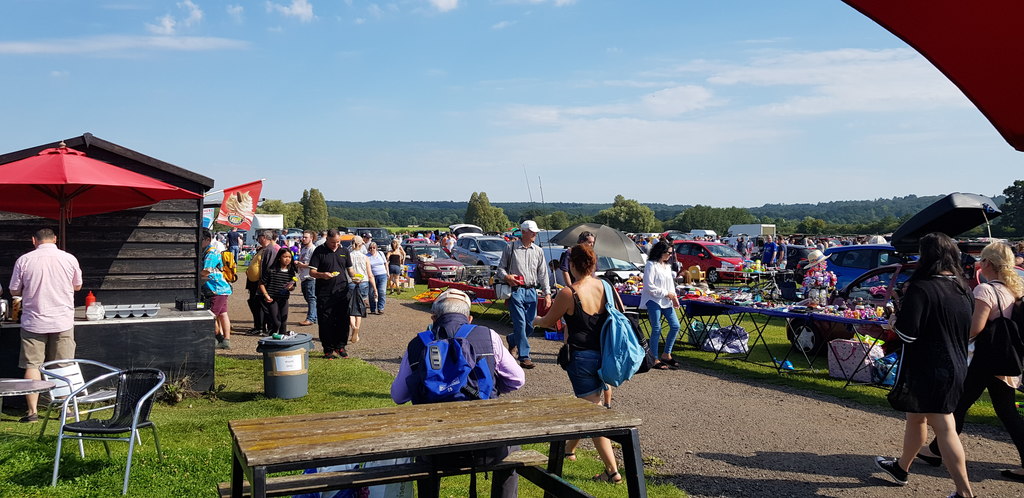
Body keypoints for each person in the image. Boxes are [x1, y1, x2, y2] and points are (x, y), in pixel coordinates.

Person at [390, 288, 525, 497]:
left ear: (434, 318)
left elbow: (398, 396)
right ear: (469, 318)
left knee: (424, 458)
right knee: (511, 450)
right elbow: (518, 380)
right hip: (485, 448)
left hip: (434, 451)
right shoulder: (489, 336)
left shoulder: (417, 344)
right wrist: (493, 389)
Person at [874, 232, 975, 498]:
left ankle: (964, 492)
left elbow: (909, 334)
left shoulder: (923, 287)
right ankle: (901, 468)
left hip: (931, 366)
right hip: (955, 362)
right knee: (915, 417)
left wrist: (894, 320)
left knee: (944, 427)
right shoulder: (962, 287)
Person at [918, 241, 1024, 482]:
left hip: (985, 360)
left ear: (987, 263)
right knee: (992, 408)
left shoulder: (985, 290)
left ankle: (937, 452)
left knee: (964, 406)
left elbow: (975, 329)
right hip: (1004, 358)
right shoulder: (1012, 289)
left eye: (982, 259)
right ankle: (936, 451)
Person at [533, 244, 622, 483]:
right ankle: (569, 451)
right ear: (593, 265)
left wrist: (536, 319)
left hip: (581, 357)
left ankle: (612, 472)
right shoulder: (606, 286)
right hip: (605, 354)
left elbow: (549, 321)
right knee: (587, 404)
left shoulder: (568, 293)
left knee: (591, 413)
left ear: (572, 265)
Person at [8, 228, 82, 423]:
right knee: (63, 365)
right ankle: (65, 410)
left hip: (33, 321)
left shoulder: (24, 260)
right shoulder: (69, 259)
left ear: (34, 240)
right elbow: (78, 286)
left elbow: (14, 289)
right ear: (55, 239)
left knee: (32, 365)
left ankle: (32, 412)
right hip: (62, 320)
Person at [496, 220, 551, 369]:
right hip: (515, 291)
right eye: (532, 231)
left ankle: (512, 339)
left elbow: (543, 274)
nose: (535, 234)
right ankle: (525, 356)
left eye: (536, 232)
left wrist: (547, 294)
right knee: (520, 323)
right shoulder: (511, 247)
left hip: (532, 291)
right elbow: (500, 269)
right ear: (524, 232)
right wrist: (507, 277)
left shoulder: (538, 251)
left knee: (531, 324)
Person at [309, 229, 354, 359]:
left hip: (342, 291)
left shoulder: (344, 251)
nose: (336, 245)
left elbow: (350, 270)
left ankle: (340, 346)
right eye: (333, 242)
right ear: (327, 239)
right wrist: (322, 275)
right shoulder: (319, 251)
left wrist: (356, 277)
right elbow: (312, 272)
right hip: (325, 292)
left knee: (343, 320)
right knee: (325, 321)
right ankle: (328, 349)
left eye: (338, 242)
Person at [640, 240, 681, 370]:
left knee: (675, 326)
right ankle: (653, 357)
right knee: (656, 328)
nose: (670, 255)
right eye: (668, 253)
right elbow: (649, 286)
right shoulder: (650, 265)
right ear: (660, 252)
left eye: (670, 253)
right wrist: (666, 293)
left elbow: (670, 285)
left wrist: (674, 297)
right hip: (653, 300)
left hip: (666, 301)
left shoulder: (667, 267)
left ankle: (666, 354)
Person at [200, 229, 233, 350]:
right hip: (221, 288)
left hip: (216, 289)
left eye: (200, 240)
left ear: (207, 240)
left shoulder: (210, 253)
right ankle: (226, 340)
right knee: (223, 314)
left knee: (211, 315)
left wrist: (194, 276)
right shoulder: (209, 251)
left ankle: (217, 337)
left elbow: (206, 270)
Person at [245, 230, 279, 335]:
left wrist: (263, 282)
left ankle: (264, 328)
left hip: (261, 283)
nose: (258, 239)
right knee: (255, 305)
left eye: (259, 237)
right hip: (254, 282)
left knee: (262, 307)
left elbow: (268, 268)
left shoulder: (270, 250)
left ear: (264, 237)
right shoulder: (263, 249)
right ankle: (258, 326)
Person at [259, 247, 298, 336]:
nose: (287, 259)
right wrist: (266, 295)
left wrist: (290, 287)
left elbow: (293, 288)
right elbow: (261, 283)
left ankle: (282, 340)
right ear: (279, 257)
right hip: (272, 299)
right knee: (277, 322)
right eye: (285, 256)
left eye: (289, 257)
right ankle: (271, 335)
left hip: (284, 299)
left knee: (283, 323)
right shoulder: (271, 270)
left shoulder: (291, 272)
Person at [347, 236, 376, 343]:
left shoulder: (348, 256)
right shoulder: (365, 257)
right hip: (363, 282)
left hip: (350, 282)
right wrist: (375, 288)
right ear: (361, 245)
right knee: (359, 308)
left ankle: (353, 327)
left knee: (350, 308)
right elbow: (370, 274)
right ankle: (357, 332)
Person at [296, 230, 317, 327]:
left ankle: (311, 318)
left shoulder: (313, 249)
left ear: (311, 238)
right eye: (303, 237)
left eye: (305, 237)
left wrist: (303, 265)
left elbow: (315, 264)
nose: (303, 239)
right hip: (303, 277)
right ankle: (315, 317)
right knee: (308, 298)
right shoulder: (304, 249)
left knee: (311, 298)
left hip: (310, 277)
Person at [366, 242, 388, 315]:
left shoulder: (381, 254)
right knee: (371, 293)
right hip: (372, 276)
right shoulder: (366, 256)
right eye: (371, 248)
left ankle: (380, 308)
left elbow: (385, 263)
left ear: (376, 248)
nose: (372, 249)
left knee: (382, 291)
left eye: (374, 248)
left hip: (382, 275)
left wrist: (387, 272)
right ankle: (372, 308)